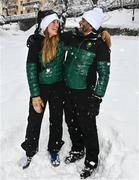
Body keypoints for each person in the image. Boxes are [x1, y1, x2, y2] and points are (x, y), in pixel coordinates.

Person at [63, 8, 111, 179]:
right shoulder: (74, 37)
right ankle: (77, 148)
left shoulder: (100, 46)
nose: (80, 22)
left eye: (83, 20)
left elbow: (104, 75)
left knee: (87, 127)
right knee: (71, 121)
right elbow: (54, 38)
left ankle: (91, 160)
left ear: (91, 24)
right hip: (68, 90)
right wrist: (38, 38)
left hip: (85, 94)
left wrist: (97, 98)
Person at [21, 10, 65, 169]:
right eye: (53, 22)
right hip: (41, 88)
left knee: (56, 119)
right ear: (45, 25)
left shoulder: (62, 40)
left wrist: (101, 35)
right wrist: (35, 95)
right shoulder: (36, 44)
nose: (56, 25)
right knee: (34, 120)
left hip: (59, 87)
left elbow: (84, 36)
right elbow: (31, 70)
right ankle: (30, 150)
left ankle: (54, 148)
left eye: (57, 22)